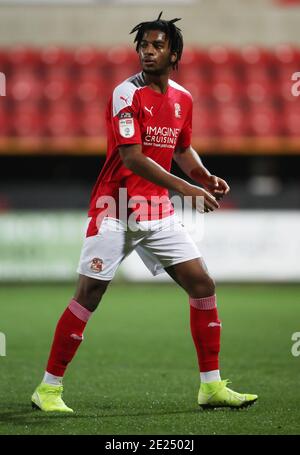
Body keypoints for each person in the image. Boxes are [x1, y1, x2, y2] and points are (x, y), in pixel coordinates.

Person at [31, 12, 257, 412]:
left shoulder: (183, 99)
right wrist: (187, 189)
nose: (148, 52)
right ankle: (48, 389)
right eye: (143, 45)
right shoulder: (126, 94)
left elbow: (181, 148)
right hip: (115, 207)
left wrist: (203, 176)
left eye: (157, 45)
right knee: (89, 294)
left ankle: (211, 386)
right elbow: (133, 159)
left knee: (202, 285)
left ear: (174, 54)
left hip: (157, 209)